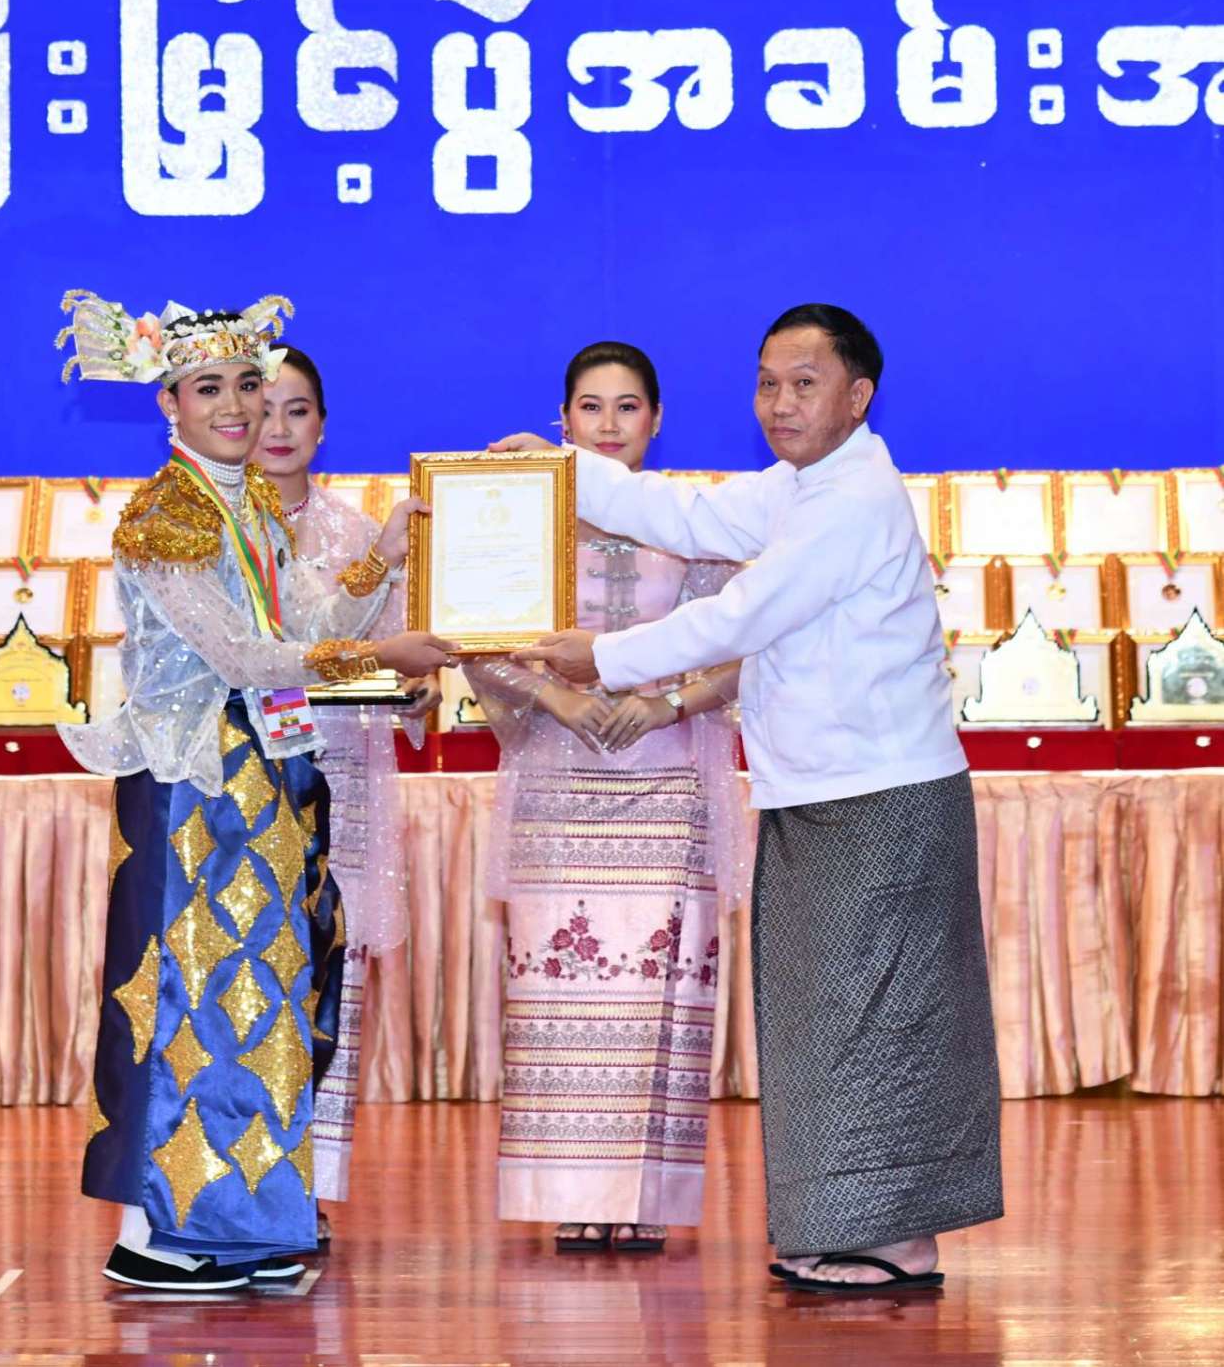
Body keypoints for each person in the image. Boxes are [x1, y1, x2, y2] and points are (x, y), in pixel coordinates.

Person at [493, 304, 1002, 1293]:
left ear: (858, 396)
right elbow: (686, 518)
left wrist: (602, 656)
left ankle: (893, 1239)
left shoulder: (852, 499)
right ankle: (844, 1228)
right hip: (822, 787)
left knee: (877, 1018)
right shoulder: (799, 486)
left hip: (880, 791)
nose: (779, 403)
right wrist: (560, 472)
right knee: (824, 1015)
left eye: (805, 384)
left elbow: (742, 612)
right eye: (767, 383)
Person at [55, 290, 455, 1291]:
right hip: (192, 784)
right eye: (208, 389)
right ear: (170, 404)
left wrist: (385, 558)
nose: (234, 407)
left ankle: (240, 1228)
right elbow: (240, 656)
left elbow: (306, 620)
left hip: (261, 776)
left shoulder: (245, 506)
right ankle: (158, 1236)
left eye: (246, 384)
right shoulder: (167, 515)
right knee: (187, 1000)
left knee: (259, 997)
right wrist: (380, 652)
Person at [469, 341, 747, 1254]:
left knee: (657, 988)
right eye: (590, 408)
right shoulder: (525, 515)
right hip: (559, 777)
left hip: (667, 780)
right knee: (562, 991)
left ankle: (646, 1195)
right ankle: (571, 1190)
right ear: (563, 421)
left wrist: (668, 701)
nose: (609, 425)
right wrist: (559, 699)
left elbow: (743, 646)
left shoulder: (692, 521)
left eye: (628, 407)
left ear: (657, 421)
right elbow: (478, 638)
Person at [253, 343, 440, 1248]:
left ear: (323, 425)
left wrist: (415, 691)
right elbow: (264, 662)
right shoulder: (217, 535)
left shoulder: (364, 535)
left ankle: (312, 1190)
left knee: (333, 983)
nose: (279, 428)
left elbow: (401, 662)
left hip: (345, 786)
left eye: (298, 410)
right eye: (264, 408)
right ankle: (245, 1177)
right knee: (251, 975)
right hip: (251, 785)